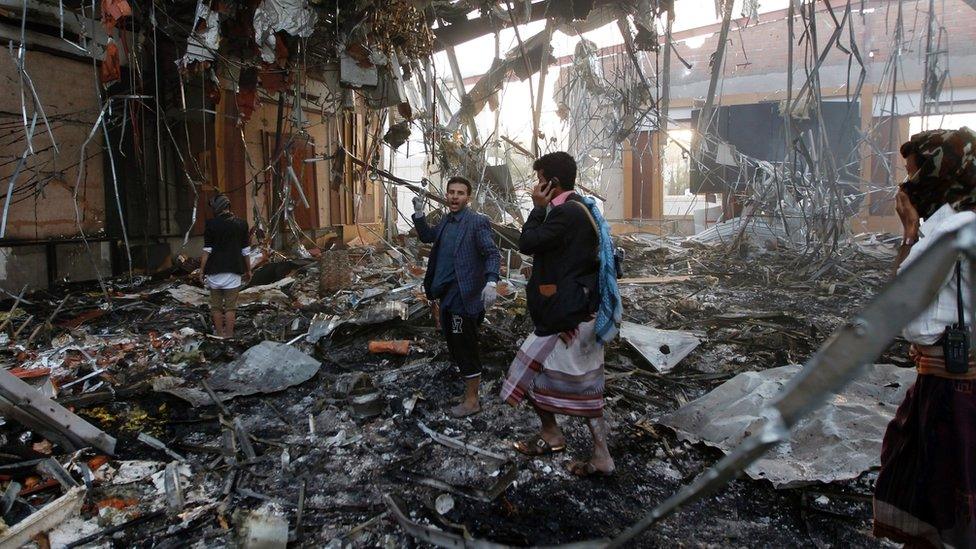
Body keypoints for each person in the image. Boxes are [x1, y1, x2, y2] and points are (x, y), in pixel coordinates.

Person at [873, 127, 976, 548]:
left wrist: (910, 232)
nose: (906, 186)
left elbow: (908, 316)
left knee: (943, 500)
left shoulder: (951, 228)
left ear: (936, 177)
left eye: (913, 175)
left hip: (953, 390)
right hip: (947, 382)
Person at [500, 151, 622, 477]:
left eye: (539, 179)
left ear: (551, 182)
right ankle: (561, 438)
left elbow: (528, 242)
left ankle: (592, 452)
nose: (534, 186)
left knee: (535, 375)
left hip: (570, 318)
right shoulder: (578, 210)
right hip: (573, 312)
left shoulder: (565, 213)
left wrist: (536, 209)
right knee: (574, 381)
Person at [412, 176, 501, 418]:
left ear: (468, 197)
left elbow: (492, 253)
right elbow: (428, 237)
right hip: (446, 296)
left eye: (460, 193)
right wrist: (419, 215)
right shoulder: (446, 220)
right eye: (451, 192)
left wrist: (492, 281)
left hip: (465, 297)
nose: (454, 196)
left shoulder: (476, 222)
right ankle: (468, 393)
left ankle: (472, 401)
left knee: (464, 345)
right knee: (454, 343)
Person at [199, 194, 251, 338]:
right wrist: (249, 270)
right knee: (230, 308)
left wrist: (202, 270)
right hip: (233, 271)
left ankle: (220, 334)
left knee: (216, 307)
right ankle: (229, 335)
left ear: (217, 208)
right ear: (228, 206)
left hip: (214, 272)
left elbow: (207, 251)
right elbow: (245, 251)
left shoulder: (211, 224)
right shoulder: (241, 224)